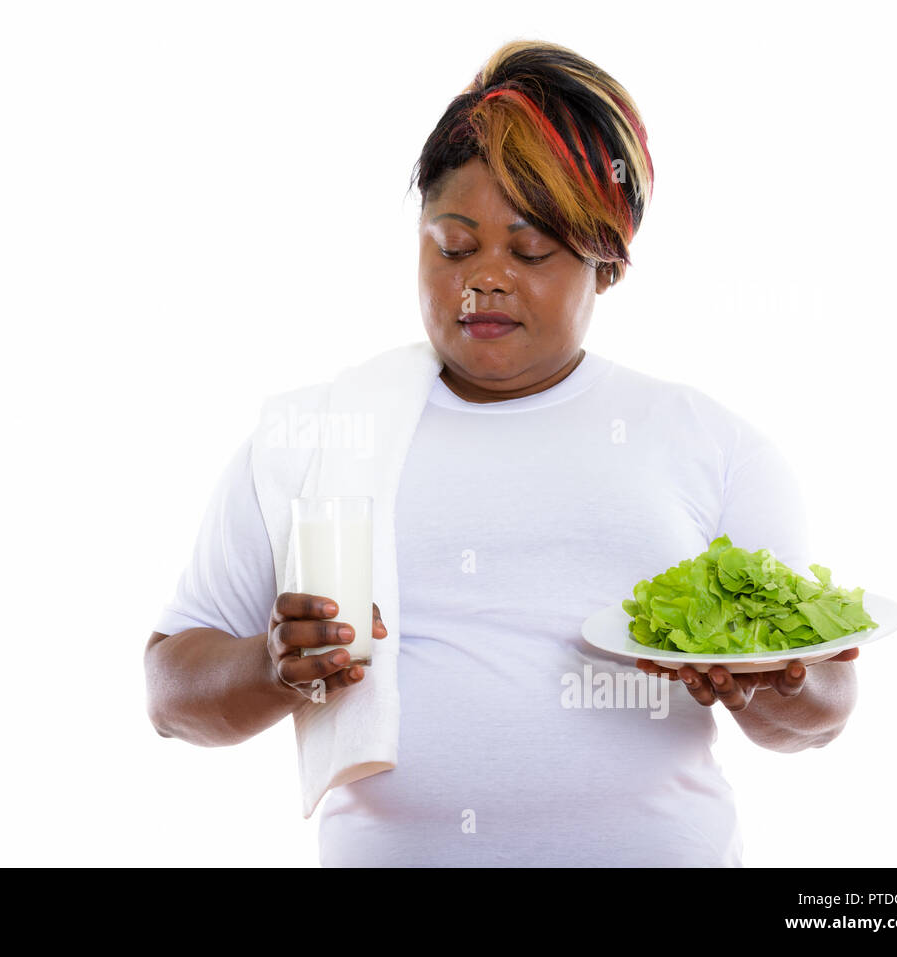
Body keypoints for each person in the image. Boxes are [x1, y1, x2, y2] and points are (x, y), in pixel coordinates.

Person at [143, 38, 859, 867]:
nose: (484, 280)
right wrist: (272, 666)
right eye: (454, 246)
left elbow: (828, 708)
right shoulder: (319, 435)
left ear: (607, 261)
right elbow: (169, 693)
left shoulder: (710, 443)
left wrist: (764, 679)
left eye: (530, 251)